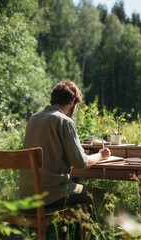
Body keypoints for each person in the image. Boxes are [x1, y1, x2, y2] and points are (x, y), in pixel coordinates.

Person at [19, 80, 111, 216]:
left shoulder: (33, 118)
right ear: (72, 101)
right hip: (52, 194)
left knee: (81, 190)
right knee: (105, 196)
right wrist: (101, 155)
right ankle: (97, 236)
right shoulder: (64, 121)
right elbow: (80, 163)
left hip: (27, 194)